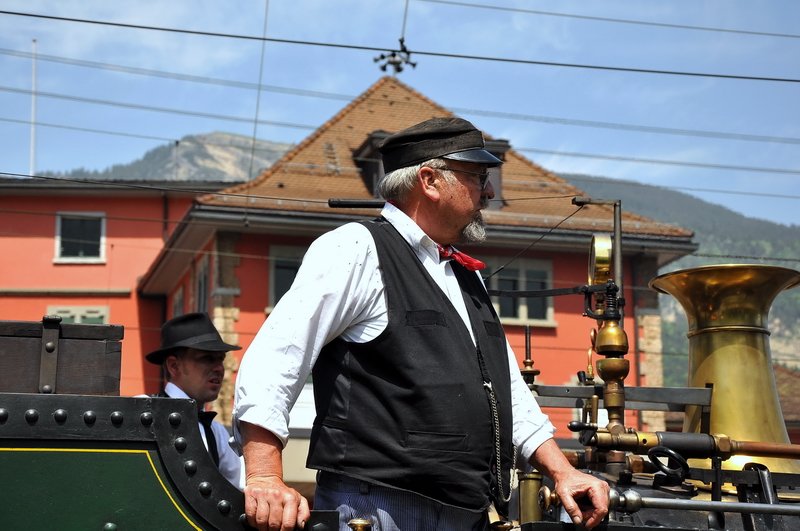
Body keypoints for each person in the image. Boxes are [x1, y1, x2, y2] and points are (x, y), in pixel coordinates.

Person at [233, 117, 610, 530]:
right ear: (429, 180)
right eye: (477, 176)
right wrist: (265, 474)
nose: (487, 191)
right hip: (380, 507)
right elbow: (277, 358)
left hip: (464, 509)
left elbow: (508, 394)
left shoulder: (466, 275)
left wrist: (562, 471)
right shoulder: (356, 247)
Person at [146, 311, 243, 488]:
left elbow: (234, 492)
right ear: (174, 366)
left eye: (220, 360)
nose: (219, 368)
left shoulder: (218, 433)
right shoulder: (143, 412)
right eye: (207, 358)